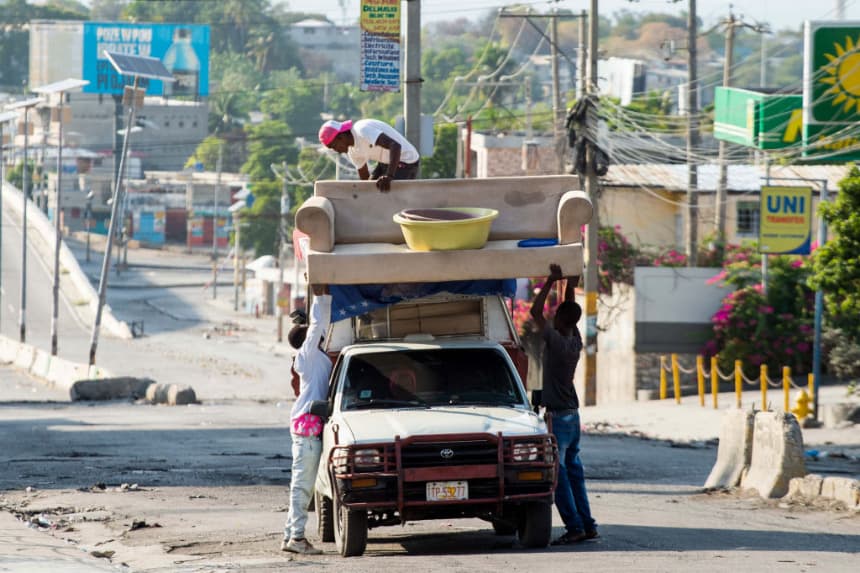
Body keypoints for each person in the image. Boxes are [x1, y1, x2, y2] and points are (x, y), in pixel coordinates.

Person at [529, 264, 598, 545]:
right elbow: (569, 309)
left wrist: (550, 281)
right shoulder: (575, 339)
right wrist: (569, 281)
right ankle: (588, 524)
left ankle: (575, 527)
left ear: (559, 320)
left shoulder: (556, 340)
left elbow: (535, 312)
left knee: (558, 479)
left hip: (558, 418)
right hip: (573, 416)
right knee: (575, 474)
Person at [281, 285, 332, 555]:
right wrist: (321, 296)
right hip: (307, 428)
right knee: (303, 485)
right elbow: (317, 325)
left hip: (307, 426)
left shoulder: (313, 358)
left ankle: (291, 535)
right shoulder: (309, 355)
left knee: (301, 484)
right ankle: (297, 538)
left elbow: (319, 326)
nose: (320, 334)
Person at [318, 118, 420, 192]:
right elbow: (365, 180)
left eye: (334, 146)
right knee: (371, 190)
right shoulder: (352, 152)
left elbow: (395, 146)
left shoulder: (361, 130)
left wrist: (389, 176)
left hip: (407, 160)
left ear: (340, 137)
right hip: (386, 162)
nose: (338, 151)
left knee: (388, 196)